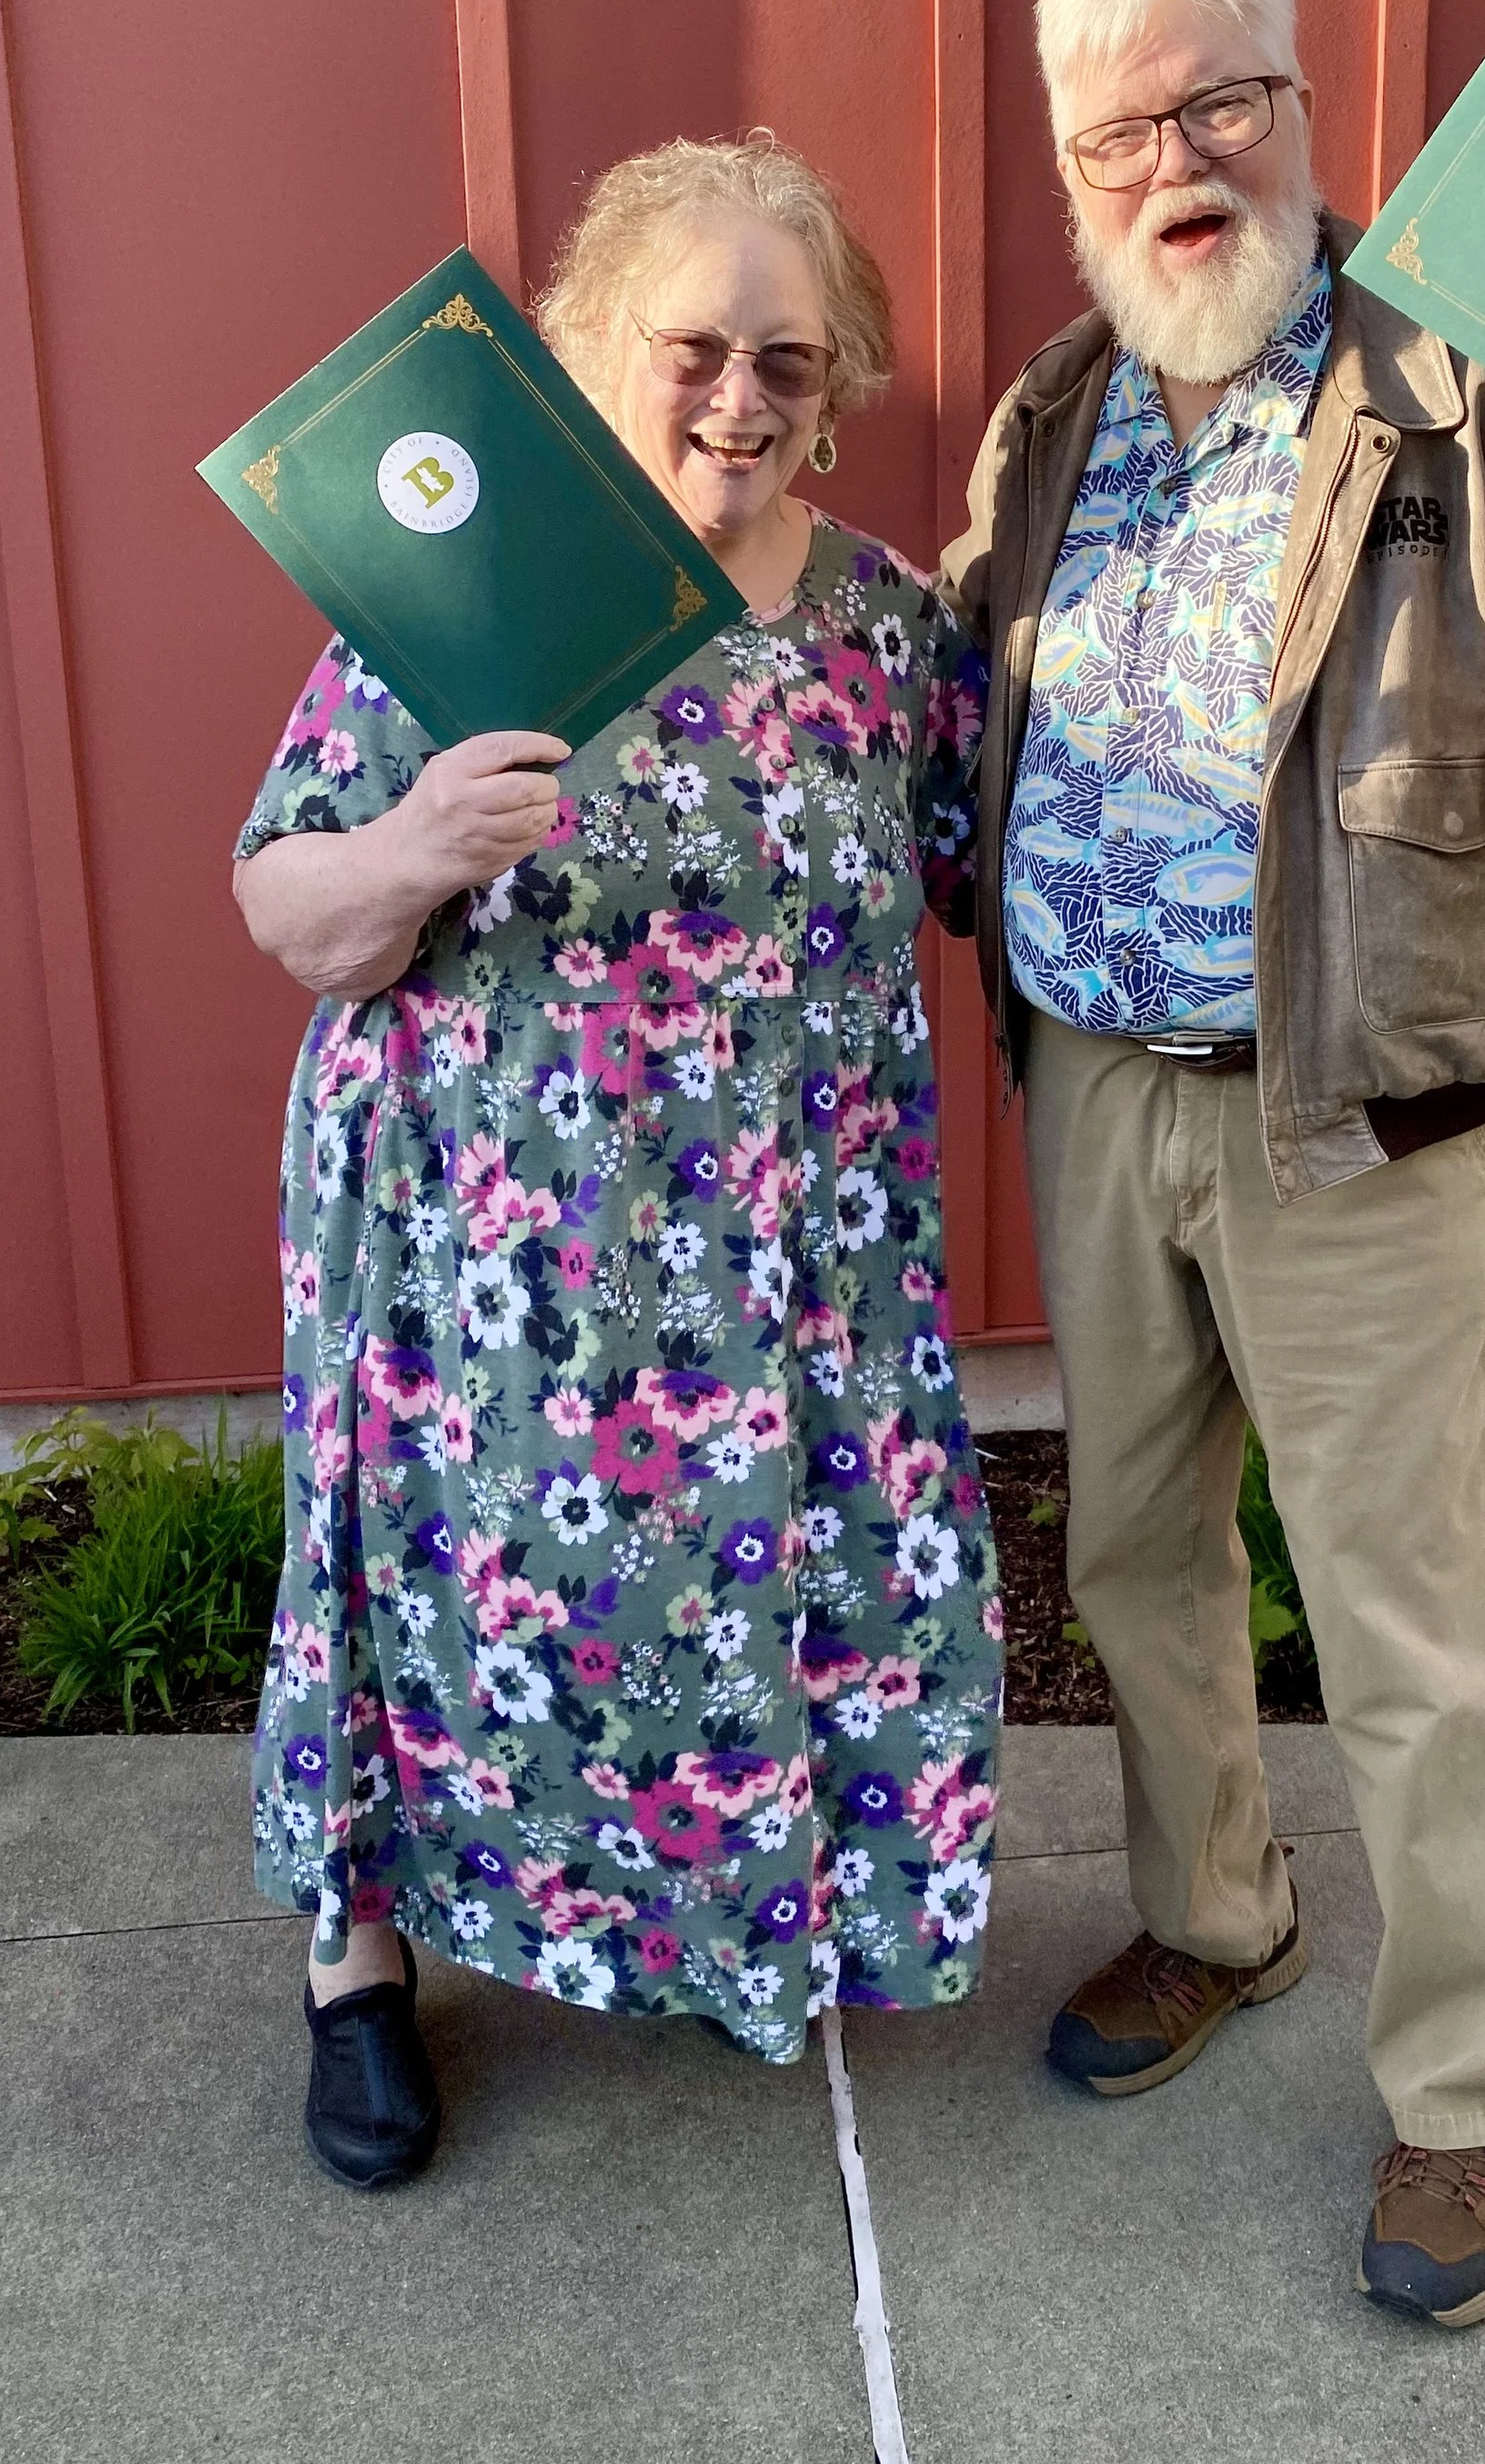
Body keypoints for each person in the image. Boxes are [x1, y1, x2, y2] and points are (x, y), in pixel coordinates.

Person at [943, 0, 1485, 2326]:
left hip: (1348, 1118)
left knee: (1409, 1622)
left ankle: (1477, 2092)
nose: (1173, 154)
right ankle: (1219, 1914)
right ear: (1072, 175)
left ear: (1300, 99)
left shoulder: (1459, 374)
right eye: (1117, 130)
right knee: (1135, 1560)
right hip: (1094, 1089)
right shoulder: (1055, 409)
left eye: (1217, 93)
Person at [234, 134, 998, 2189]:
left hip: (784, 1257)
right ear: (588, 348)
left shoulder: (883, 631)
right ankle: (360, 1956)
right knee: (420, 1583)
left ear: (832, 385)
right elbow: (290, 907)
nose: (735, 397)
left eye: (784, 356)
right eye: (688, 347)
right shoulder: (476, 586)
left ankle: (752, 1926)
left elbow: (986, 871)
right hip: (478, 1251)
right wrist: (409, 849)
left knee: (786, 1593)